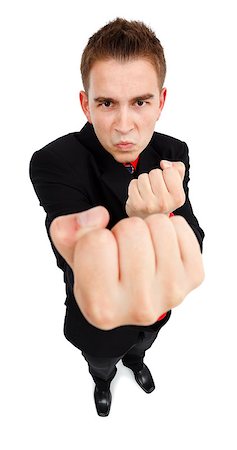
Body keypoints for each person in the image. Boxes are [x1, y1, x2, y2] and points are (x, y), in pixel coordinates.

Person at [29, 18, 205, 417]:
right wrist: (138, 219)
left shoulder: (173, 152)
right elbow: (74, 257)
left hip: (158, 310)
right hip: (99, 324)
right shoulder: (54, 163)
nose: (124, 126)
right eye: (107, 103)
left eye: (140, 102)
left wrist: (169, 216)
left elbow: (194, 235)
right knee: (102, 361)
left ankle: (137, 362)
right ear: (85, 104)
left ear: (161, 102)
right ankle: (103, 380)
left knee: (143, 345)